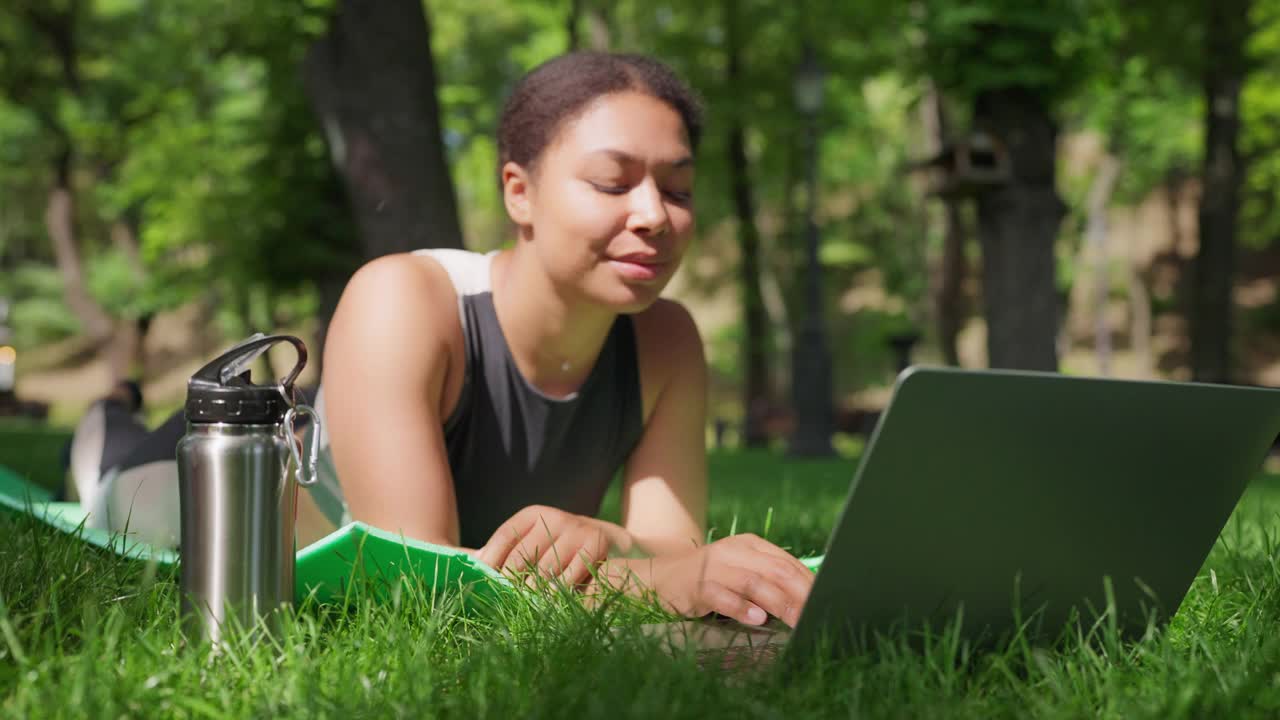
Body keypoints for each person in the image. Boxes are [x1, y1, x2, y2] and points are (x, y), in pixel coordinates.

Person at [69, 51, 814, 629]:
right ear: (518, 191)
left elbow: (673, 547)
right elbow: (420, 581)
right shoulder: (405, 300)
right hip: (165, 490)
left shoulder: (666, 340)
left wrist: (604, 539)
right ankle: (108, 429)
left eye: (678, 189)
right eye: (614, 183)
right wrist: (659, 582)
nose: (655, 214)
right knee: (111, 477)